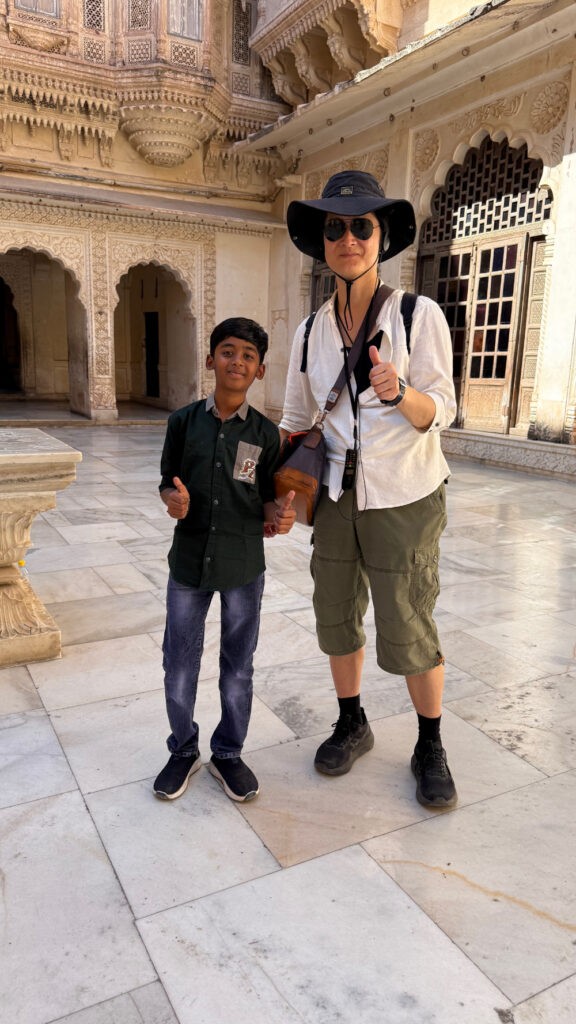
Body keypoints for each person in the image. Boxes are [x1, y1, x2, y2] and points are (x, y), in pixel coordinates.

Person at [280, 170, 458, 808]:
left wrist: (399, 392)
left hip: (403, 495)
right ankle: (352, 721)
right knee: (335, 614)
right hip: (334, 495)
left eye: (362, 226)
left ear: (381, 238)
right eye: (335, 227)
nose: (348, 238)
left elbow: (443, 409)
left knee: (408, 619)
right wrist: (278, 491)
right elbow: (295, 417)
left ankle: (430, 743)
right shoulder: (310, 331)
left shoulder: (417, 314)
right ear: (322, 241)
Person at [154, 317, 296, 803]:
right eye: (228, 351)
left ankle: (229, 753)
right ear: (211, 359)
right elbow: (167, 483)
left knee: (238, 666)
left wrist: (280, 515)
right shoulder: (182, 423)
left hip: (242, 565)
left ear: (260, 370)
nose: (238, 361)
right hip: (189, 562)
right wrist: (173, 502)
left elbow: (267, 501)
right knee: (178, 663)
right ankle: (183, 750)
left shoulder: (266, 435)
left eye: (249, 356)